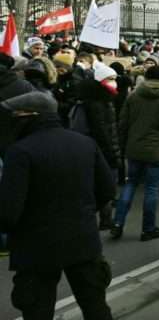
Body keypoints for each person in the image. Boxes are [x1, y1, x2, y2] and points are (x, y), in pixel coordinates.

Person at [0, 92, 115, 319]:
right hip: (83, 239)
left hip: (36, 247)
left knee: (38, 310)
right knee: (95, 307)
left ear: (28, 116)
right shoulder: (84, 142)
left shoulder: (20, 151)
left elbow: (8, 211)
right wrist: (82, 211)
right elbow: (107, 189)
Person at [111, 65, 159, 241]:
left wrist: (122, 144)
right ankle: (148, 228)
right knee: (151, 189)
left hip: (134, 147)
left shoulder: (133, 96)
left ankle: (117, 222)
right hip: (158, 149)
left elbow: (123, 122)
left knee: (130, 184)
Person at [76, 63, 122, 230]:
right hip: (103, 150)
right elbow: (102, 130)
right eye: (111, 79)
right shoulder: (98, 103)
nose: (114, 82)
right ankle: (105, 218)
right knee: (107, 185)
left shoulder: (101, 99)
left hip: (99, 148)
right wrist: (111, 152)